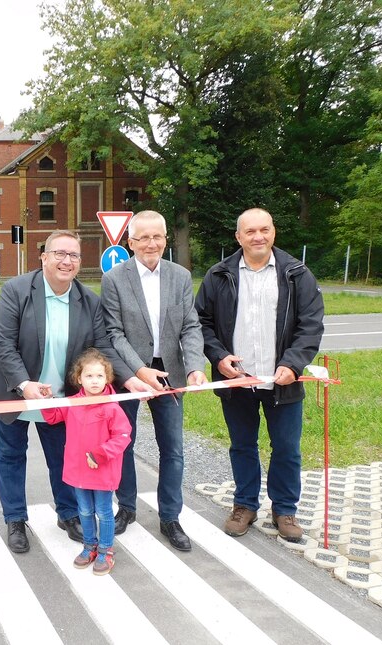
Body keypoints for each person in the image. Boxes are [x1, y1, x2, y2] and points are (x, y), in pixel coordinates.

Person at [0, 230, 137, 554]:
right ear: (44, 256)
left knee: (63, 457)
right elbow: (3, 344)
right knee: (10, 458)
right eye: (60, 253)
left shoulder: (88, 300)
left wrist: (130, 378)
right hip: (13, 391)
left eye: (74, 255)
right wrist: (25, 384)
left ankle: (68, 514)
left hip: (61, 399)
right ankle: (15, 520)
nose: (67, 261)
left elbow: (102, 346)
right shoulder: (17, 290)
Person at [194, 208, 324, 542]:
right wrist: (219, 357)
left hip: (283, 381)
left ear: (273, 232)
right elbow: (201, 323)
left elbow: (310, 325)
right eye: (250, 231)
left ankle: (284, 508)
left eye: (264, 229)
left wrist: (293, 364)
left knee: (286, 448)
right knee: (242, 445)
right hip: (237, 380)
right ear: (238, 237)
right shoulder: (219, 275)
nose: (258, 237)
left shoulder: (297, 274)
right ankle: (245, 505)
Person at [100, 210, 207, 552]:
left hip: (171, 374)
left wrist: (194, 366)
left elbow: (190, 325)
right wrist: (136, 373)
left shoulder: (180, 276)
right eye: (143, 237)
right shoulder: (115, 279)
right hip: (130, 376)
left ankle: (170, 517)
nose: (151, 243)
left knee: (172, 448)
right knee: (124, 443)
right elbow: (113, 333)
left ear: (165, 239)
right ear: (130, 242)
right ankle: (127, 508)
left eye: (157, 236)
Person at [41, 349, 132, 576]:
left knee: (103, 511)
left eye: (100, 376)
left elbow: (122, 436)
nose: (94, 381)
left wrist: (99, 454)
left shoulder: (113, 406)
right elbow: (52, 417)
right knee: (84, 510)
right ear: (79, 379)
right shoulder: (72, 403)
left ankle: (105, 551)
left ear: (108, 379)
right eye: (89, 376)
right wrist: (45, 401)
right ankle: (89, 547)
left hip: (103, 471)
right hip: (78, 471)